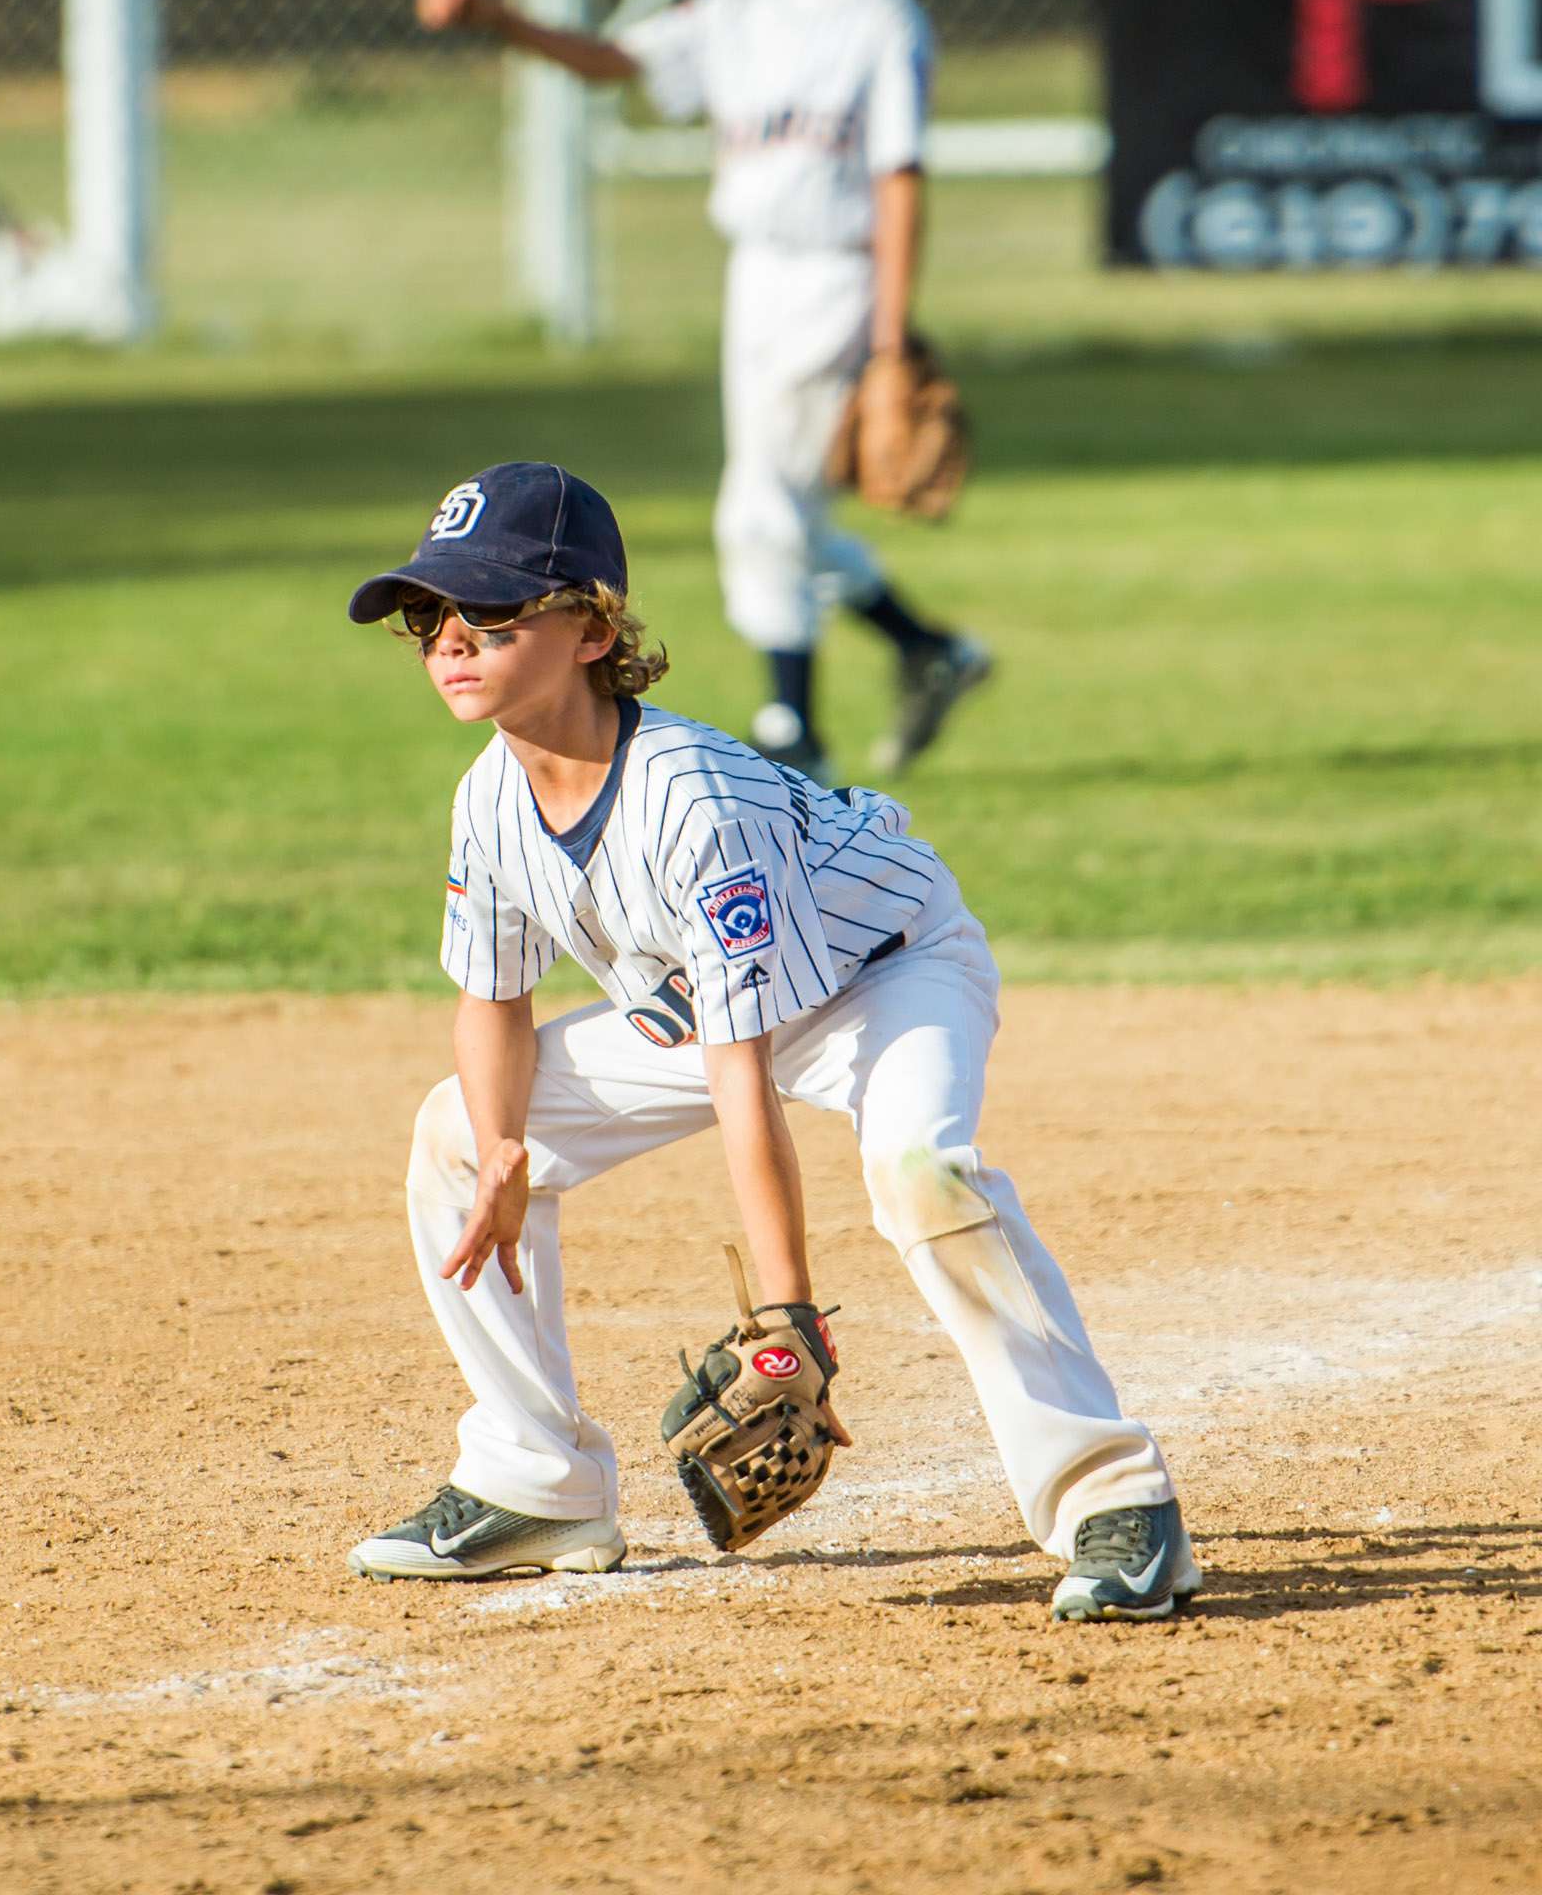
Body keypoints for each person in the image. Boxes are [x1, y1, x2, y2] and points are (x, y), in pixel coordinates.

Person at [343, 460, 1200, 1622]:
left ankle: (1114, 1499)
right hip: (707, 1005)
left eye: (490, 610)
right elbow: (492, 1001)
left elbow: (741, 1075)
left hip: (884, 977)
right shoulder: (488, 798)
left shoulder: (694, 799)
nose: (450, 638)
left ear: (592, 629)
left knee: (923, 1174)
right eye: (425, 616)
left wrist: (786, 1323)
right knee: (453, 1130)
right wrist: (502, 1149)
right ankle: (535, 1482)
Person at [414, 0, 989, 784]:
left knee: (758, 514)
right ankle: (923, 648)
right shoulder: (739, 9)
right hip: (756, 277)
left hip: (837, 279)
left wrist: (890, 338)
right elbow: (613, 63)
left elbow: (899, 180)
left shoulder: (882, 20)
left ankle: (791, 729)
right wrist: (499, 20)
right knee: (784, 514)